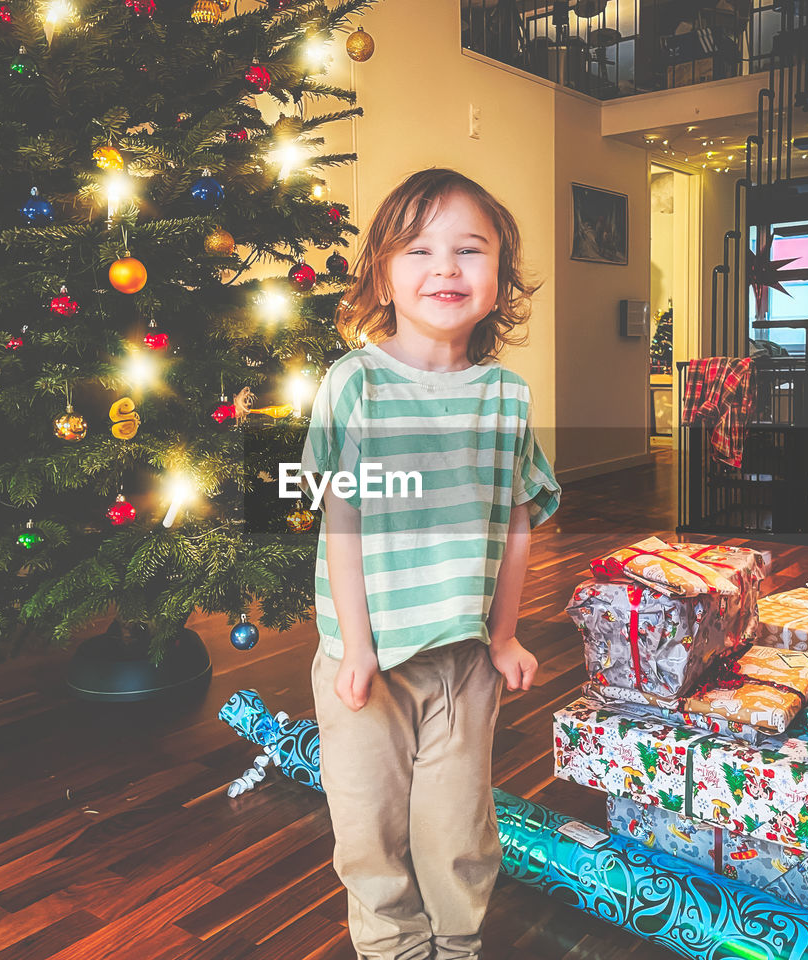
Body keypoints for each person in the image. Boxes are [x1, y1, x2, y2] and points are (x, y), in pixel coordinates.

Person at [298, 168, 562, 960]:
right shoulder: (355, 385)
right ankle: (392, 949)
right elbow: (339, 519)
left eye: (468, 250)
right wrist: (356, 644)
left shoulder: (507, 399)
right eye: (419, 249)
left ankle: (456, 945)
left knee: (460, 827)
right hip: (368, 661)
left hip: (464, 658)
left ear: (499, 278)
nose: (445, 268)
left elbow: (519, 522)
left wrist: (505, 636)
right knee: (369, 824)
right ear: (384, 272)